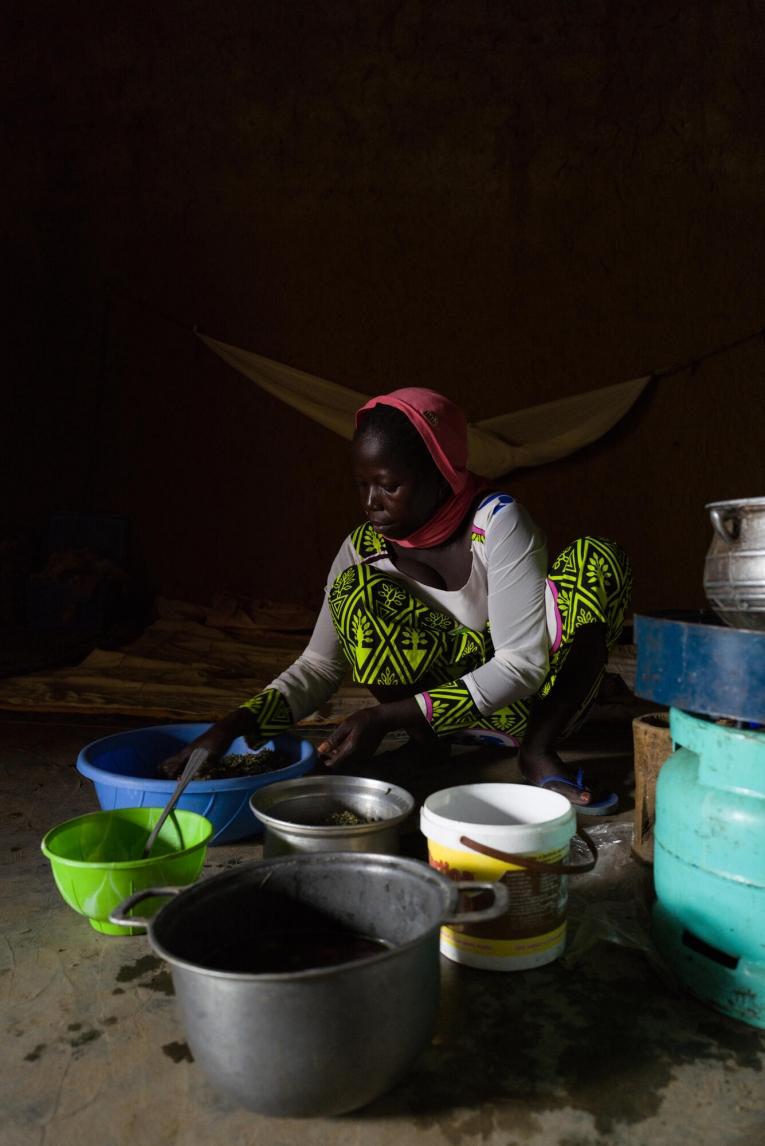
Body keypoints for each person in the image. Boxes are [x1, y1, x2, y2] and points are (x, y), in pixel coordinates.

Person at [163, 387, 632, 812]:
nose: (371, 502)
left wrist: (383, 717)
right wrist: (235, 726)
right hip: (438, 716)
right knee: (355, 593)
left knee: (598, 559)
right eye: (361, 484)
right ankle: (428, 743)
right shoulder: (361, 549)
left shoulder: (498, 523)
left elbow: (521, 665)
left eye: (389, 485)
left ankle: (536, 752)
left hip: (535, 704)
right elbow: (319, 667)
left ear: (440, 474)